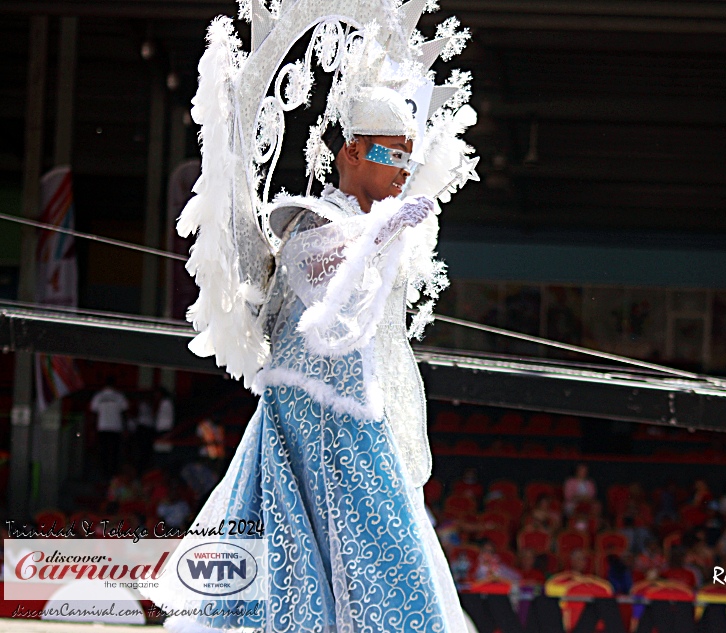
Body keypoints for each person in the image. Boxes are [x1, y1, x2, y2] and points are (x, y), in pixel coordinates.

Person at [140, 2, 477, 630]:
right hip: (308, 417)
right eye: (390, 155)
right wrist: (376, 239)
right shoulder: (311, 222)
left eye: (409, 157)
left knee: (387, 572)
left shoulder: (374, 225)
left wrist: (387, 236)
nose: (402, 172)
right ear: (351, 153)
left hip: (356, 419)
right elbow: (323, 293)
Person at [89, 376, 128, 479]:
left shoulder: (98, 397)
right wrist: (125, 428)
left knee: (103, 451)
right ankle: (113, 474)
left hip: (102, 427)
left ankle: (104, 473)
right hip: (116, 428)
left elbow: (93, 414)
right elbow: (124, 414)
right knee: (114, 452)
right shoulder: (119, 396)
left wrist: (92, 429)